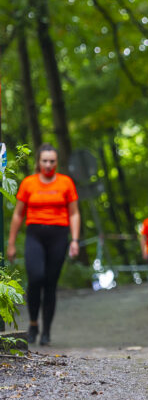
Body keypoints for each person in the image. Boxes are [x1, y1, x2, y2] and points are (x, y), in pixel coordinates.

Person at [7, 144, 81, 346]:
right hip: (35, 236)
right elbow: (18, 214)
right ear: (38, 162)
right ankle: (33, 324)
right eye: (44, 161)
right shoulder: (29, 183)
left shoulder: (66, 183)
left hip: (59, 236)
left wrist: (74, 240)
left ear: (57, 162)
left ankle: (46, 330)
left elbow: (74, 213)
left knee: (50, 284)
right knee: (36, 277)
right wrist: (11, 243)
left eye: (52, 161)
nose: (48, 165)